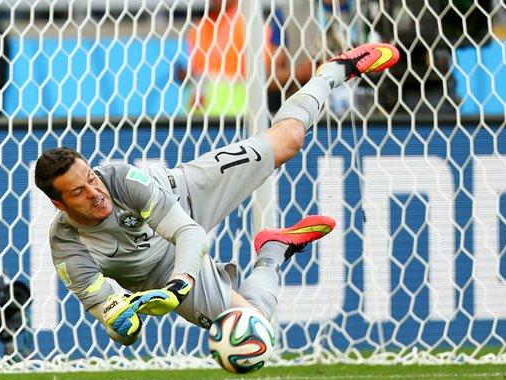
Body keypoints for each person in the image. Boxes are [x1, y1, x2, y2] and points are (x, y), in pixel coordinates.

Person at [34, 43, 400, 346]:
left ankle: (336, 69)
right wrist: (126, 319)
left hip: (187, 193)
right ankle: (273, 251)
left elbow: (188, 232)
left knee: (289, 140)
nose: (95, 193)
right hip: (156, 274)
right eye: (79, 193)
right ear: (59, 204)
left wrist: (181, 285)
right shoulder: (67, 248)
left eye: (91, 179)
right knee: (251, 331)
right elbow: (114, 323)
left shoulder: (119, 178)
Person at [178, 0, 313, 116]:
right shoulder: (198, 29)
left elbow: (265, 74)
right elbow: (196, 73)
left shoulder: (252, 27)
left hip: (239, 118)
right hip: (198, 117)